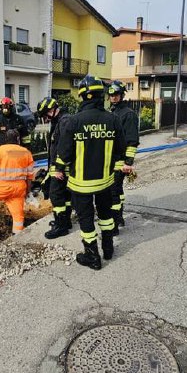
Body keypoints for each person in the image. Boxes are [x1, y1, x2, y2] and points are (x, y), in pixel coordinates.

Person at [54, 75, 126, 270]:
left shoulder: (74, 121)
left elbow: (63, 153)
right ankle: (108, 249)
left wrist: (58, 169)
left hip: (81, 184)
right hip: (105, 181)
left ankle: (92, 257)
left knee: (86, 219)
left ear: (83, 96)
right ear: (100, 95)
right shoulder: (113, 119)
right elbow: (121, 150)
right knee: (106, 215)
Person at [35, 97, 73, 239]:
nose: (45, 119)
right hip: (60, 167)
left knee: (56, 196)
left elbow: (66, 147)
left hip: (61, 169)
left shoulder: (64, 121)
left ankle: (61, 227)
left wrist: (58, 168)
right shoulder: (58, 120)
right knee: (65, 196)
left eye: (45, 115)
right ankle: (64, 222)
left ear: (51, 110)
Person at [107, 80, 139, 232]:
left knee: (113, 192)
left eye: (116, 94)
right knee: (116, 191)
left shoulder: (128, 114)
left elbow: (132, 141)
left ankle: (114, 223)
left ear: (121, 95)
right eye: (111, 94)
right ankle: (118, 217)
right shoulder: (112, 112)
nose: (113, 97)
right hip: (110, 160)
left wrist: (128, 162)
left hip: (120, 161)